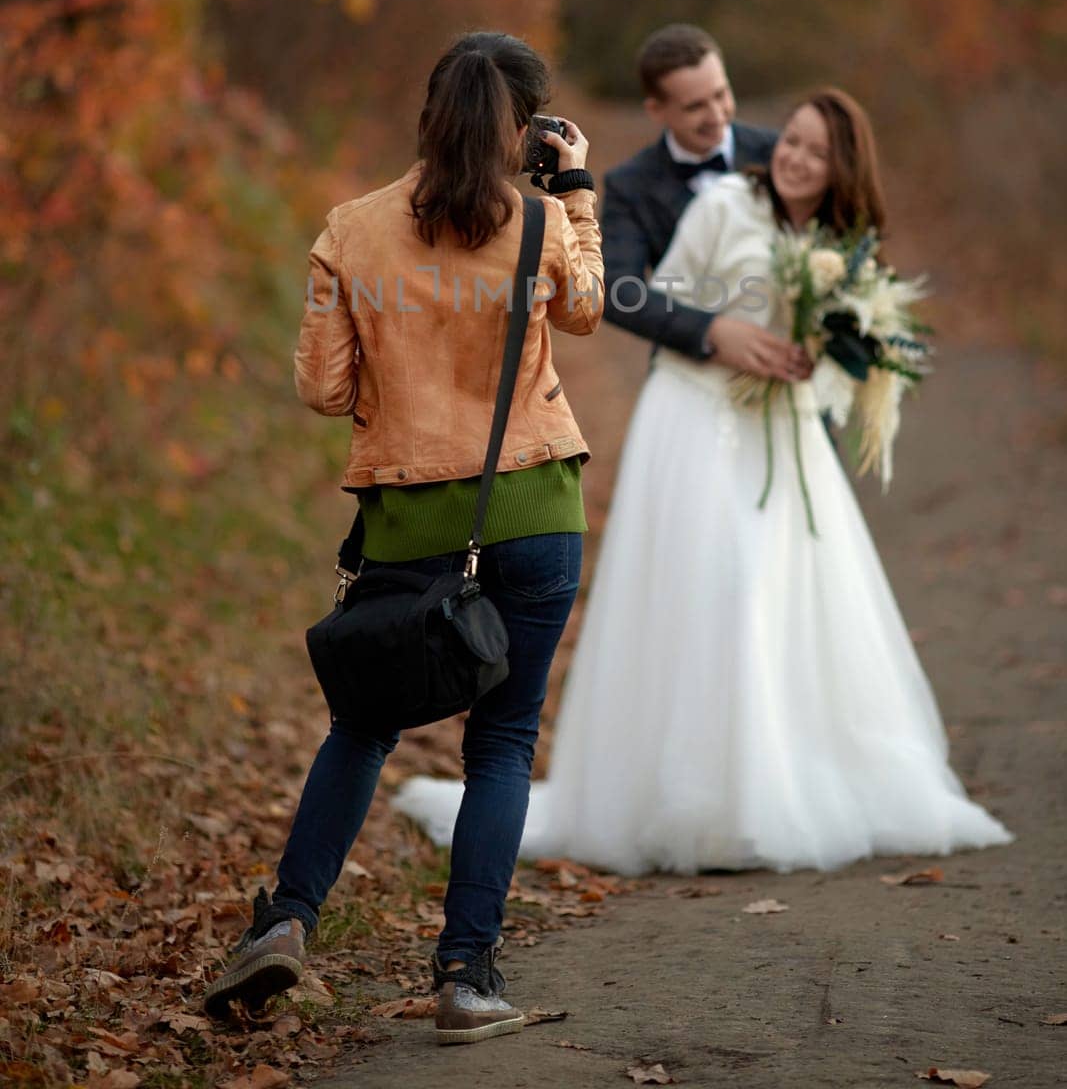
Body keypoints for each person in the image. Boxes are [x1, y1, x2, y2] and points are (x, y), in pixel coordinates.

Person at [395, 88, 1014, 873]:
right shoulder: (726, 201)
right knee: (718, 591)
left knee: (786, 596)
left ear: (842, 169)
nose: (793, 157)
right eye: (790, 140)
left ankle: (782, 785)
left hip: (780, 432)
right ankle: (693, 801)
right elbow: (659, 301)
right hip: (694, 419)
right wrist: (718, 337)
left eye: (815, 151)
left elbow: (846, 360)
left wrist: (813, 363)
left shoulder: (845, 244)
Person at [201, 32, 603, 1043]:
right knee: (502, 741)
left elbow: (322, 387)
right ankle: (465, 978)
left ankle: (286, 920)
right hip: (534, 511)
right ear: (529, 129)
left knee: (362, 726)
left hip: (410, 519)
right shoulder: (543, 220)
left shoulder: (351, 229)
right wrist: (579, 190)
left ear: (429, 113)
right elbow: (587, 310)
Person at [600, 23, 805, 384]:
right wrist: (709, 331)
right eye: (695, 106)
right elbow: (617, 291)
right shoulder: (629, 185)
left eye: (721, 94)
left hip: (788, 367)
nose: (716, 115)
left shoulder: (778, 153)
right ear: (656, 110)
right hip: (688, 374)